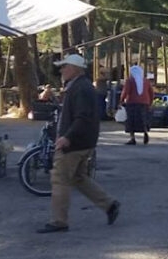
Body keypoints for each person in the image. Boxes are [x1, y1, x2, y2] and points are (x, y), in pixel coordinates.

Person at [38, 54, 121, 234]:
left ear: (75, 69)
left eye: (64, 66)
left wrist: (67, 137)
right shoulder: (80, 86)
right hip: (84, 141)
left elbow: (82, 117)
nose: (61, 70)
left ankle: (59, 221)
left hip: (74, 143)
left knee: (59, 179)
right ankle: (109, 204)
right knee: (78, 177)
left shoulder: (80, 88)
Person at [120, 65, 154, 146]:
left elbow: (125, 91)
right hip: (144, 103)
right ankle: (145, 132)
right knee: (143, 119)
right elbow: (151, 93)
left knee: (131, 120)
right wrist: (150, 103)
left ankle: (133, 138)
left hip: (132, 103)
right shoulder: (146, 81)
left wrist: (121, 101)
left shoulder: (130, 81)